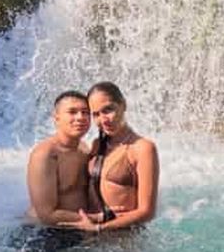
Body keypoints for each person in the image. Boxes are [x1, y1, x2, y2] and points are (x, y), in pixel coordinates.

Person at [60, 82, 159, 233]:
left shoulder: (143, 148)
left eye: (108, 110)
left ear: (123, 105)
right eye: (96, 114)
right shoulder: (96, 145)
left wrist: (100, 227)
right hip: (91, 235)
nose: (103, 119)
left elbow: (147, 211)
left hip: (123, 244)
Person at [26, 90, 91, 226]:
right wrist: (99, 219)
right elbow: (47, 215)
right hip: (45, 233)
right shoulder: (45, 154)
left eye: (85, 112)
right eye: (72, 112)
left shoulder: (84, 149)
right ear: (56, 118)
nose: (80, 117)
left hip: (78, 227)